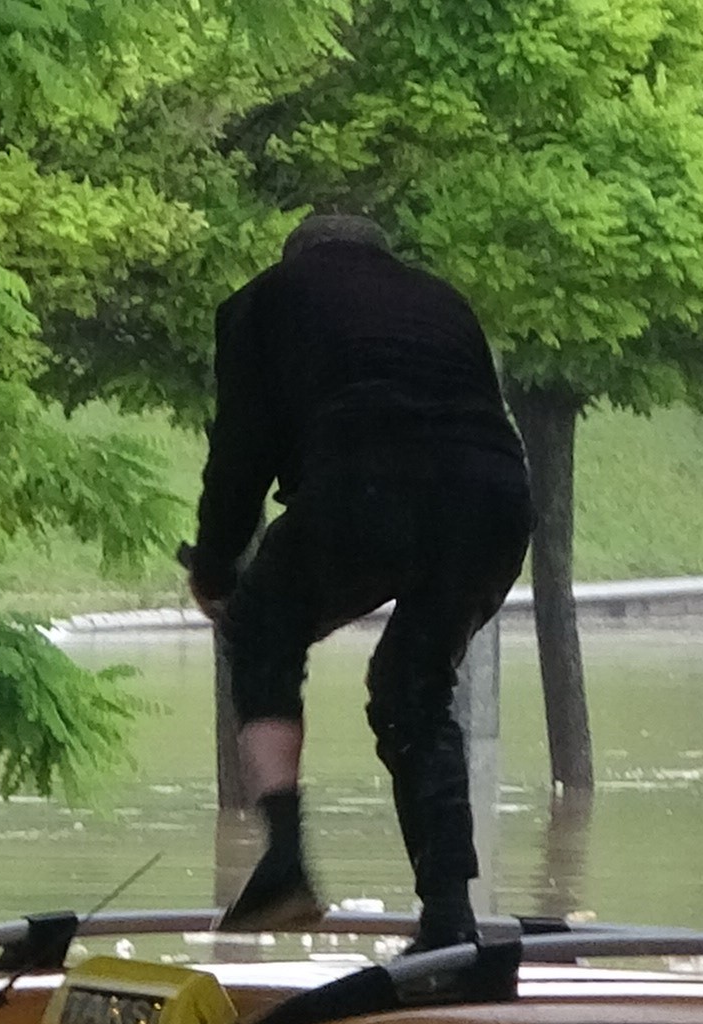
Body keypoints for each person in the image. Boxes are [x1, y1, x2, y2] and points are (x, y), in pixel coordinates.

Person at [183, 212, 533, 949]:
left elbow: (240, 451)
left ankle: (283, 862)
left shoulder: (265, 299)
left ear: (296, 257)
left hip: (368, 479)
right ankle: (449, 916)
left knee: (261, 628)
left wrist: (216, 570)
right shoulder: (442, 299)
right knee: (414, 687)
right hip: (495, 498)